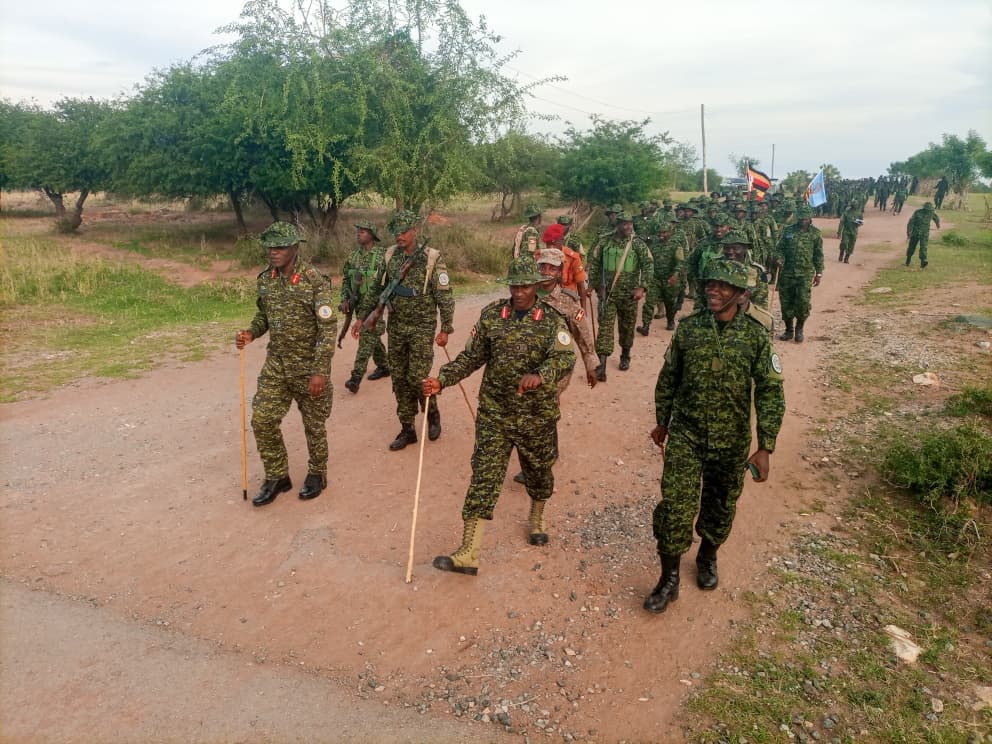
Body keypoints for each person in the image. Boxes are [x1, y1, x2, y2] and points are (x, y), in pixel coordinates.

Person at [644, 257, 785, 613]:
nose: (713, 290)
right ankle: (669, 579)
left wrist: (765, 445)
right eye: (709, 284)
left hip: (732, 439)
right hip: (687, 435)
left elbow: (770, 390)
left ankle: (707, 555)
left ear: (740, 293)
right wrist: (663, 421)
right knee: (675, 506)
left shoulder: (755, 334)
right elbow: (669, 377)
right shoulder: (690, 329)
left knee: (720, 505)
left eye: (722, 286)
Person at [424, 257, 576, 575]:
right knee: (484, 476)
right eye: (515, 285)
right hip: (495, 412)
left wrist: (541, 374)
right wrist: (443, 379)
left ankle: (536, 518)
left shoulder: (551, 320)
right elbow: (471, 357)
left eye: (525, 285)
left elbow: (564, 357)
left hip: (536, 415)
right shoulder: (493, 315)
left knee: (538, 472)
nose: (519, 291)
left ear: (536, 285)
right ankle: (468, 553)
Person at [235, 221, 336, 506]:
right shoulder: (266, 279)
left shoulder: (314, 279)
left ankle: (318, 473)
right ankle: (278, 476)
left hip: (308, 365)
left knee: (314, 425)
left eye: (279, 247)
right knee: (262, 418)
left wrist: (319, 371)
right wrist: (250, 333)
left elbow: (328, 328)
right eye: (270, 246)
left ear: (294, 247)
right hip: (277, 363)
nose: (273, 252)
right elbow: (264, 317)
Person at [357, 210, 454, 450]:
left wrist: (446, 328)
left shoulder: (432, 258)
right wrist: (362, 317)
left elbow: (445, 296)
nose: (399, 236)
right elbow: (376, 290)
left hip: (422, 327)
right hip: (397, 327)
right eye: (396, 232)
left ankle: (432, 413)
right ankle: (407, 428)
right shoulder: (390, 256)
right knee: (399, 378)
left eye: (403, 231)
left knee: (417, 377)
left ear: (415, 231)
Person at [586, 211, 653, 380]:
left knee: (627, 327)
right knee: (605, 328)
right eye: (625, 223)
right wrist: (594, 284)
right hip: (608, 294)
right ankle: (602, 365)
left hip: (629, 295)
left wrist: (642, 287)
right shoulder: (604, 242)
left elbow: (648, 266)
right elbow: (595, 264)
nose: (628, 226)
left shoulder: (637, 244)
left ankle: (625, 354)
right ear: (617, 224)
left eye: (630, 223)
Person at [340, 220, 389, 393]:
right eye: (358, 231)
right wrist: (344, 299)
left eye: (363, 231)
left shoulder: (383, 255)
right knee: (371, 337)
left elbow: (388, 281)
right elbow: (346, 279)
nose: (359, 233)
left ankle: (355, 378)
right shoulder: (353, 256)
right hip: (357, 302)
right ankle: (384, 365)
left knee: (366, 337)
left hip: (376, 305)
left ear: (372, 235)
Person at [773, 205, 823, 343]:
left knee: (803, 303)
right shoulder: (788, 231)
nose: (803, 221)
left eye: (806, 218)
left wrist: (819, 273)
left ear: (810, 218)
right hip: (787, 273)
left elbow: (818, 255)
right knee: (786, 303)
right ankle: (789, 330)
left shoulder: (815, 234)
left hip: (805, 274)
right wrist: (778, 258)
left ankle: (799, 329)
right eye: (801, 218)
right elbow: (779, 249)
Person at [540, 223, 587, 297]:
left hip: (568, 301)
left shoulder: (573, 258)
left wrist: (583, 308)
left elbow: (581, 286)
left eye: (554, 244)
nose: (551, 248)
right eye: (548, 245)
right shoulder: (540, 257)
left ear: (562, 241)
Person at [906, 202, 940, 268]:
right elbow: (911, 222)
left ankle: (923, 261)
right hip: (915, 232)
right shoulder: (917, 212)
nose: (928, 211)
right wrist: (909, 232)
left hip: (925, 233)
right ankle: (908, 260)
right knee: (912, 246)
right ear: (924, 208)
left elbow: (936, 218)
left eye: (929, 210)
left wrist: (938, 224)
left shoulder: (931, 213)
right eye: (927, 210)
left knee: (923, 247)